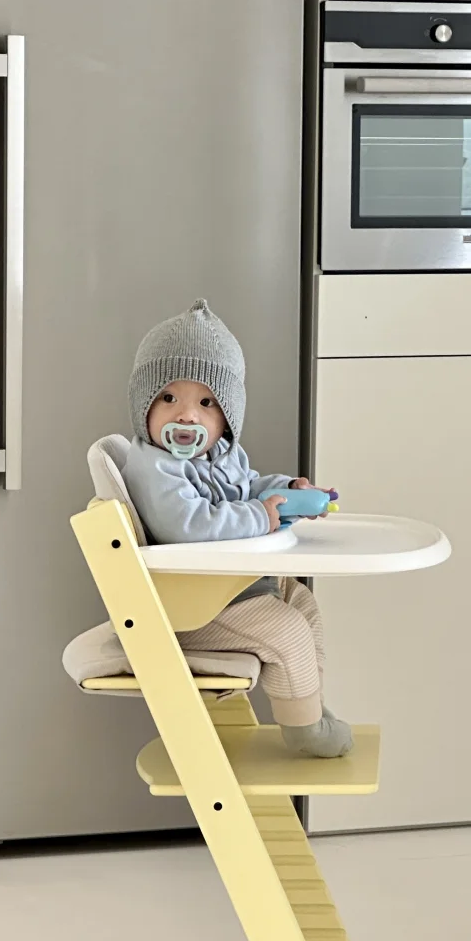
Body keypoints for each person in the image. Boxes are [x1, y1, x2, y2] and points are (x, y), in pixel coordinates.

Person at [123, 298, 353, 758]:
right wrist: (261, 516)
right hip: (195, 606)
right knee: (287, 631)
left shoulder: (221, 455)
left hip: (231, 589)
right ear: (143, 403)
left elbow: (247, 486)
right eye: (169, 398)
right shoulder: (155, 468)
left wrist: (285, 491)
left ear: (227, 416)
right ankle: (305, 732)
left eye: (206, 403)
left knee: (302, 604)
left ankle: (309, 707)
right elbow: (188, 525)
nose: (187, 416)